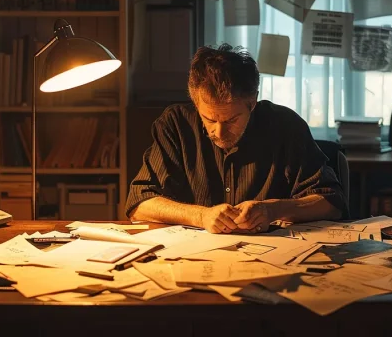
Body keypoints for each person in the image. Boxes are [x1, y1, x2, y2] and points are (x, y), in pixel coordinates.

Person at [126, 44, 347, 234]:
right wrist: (200, 216)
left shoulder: (285, 126)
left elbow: (332, 203)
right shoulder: (175, 125)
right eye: (209, 119)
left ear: (252, 103)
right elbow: (139, 204)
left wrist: (273, 210)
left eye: (231, 120)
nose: (219, 133)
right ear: (195, 104)